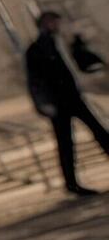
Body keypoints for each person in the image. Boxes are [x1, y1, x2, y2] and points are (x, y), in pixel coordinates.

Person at [27, 10, 109, 196]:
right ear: (46, 23)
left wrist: (80, 44)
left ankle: (71, 183)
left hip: (74, 97)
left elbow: (80, 61)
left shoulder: (62, 42)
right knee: (66, 143)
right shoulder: (37, 49)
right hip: (58, 103)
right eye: (54, 22)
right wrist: (44, 104)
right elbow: (35, 81)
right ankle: (71, 184)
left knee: (99, 131)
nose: (57, 25)